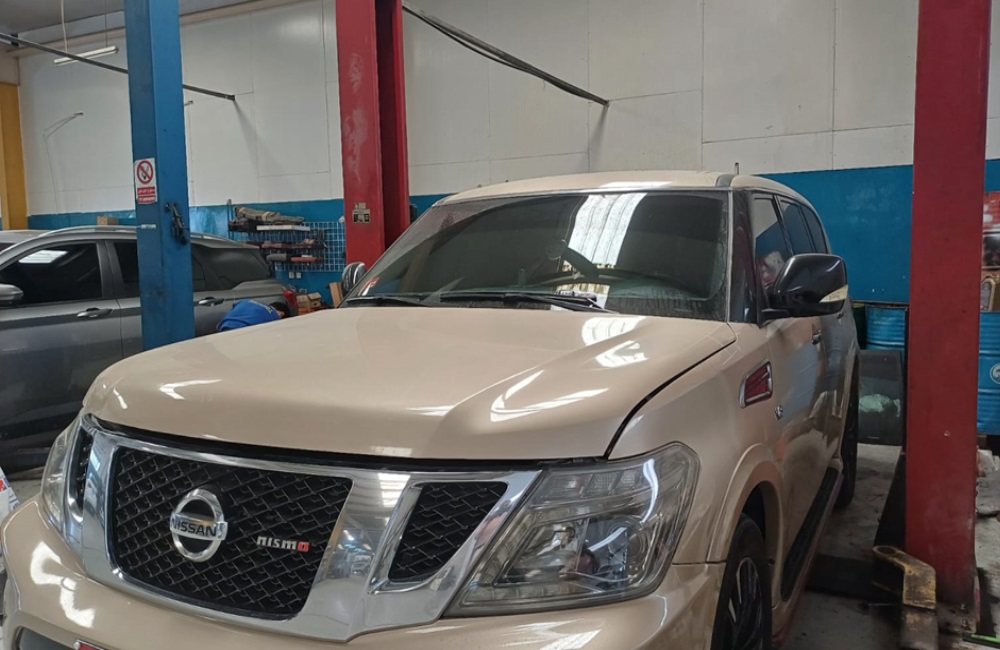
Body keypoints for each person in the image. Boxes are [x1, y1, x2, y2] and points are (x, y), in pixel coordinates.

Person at [216, 300, 287, 332]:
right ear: (281, 314)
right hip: (239, 332)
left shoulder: (246, 301)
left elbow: (234, 308)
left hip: (223, 325)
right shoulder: (274, 316)